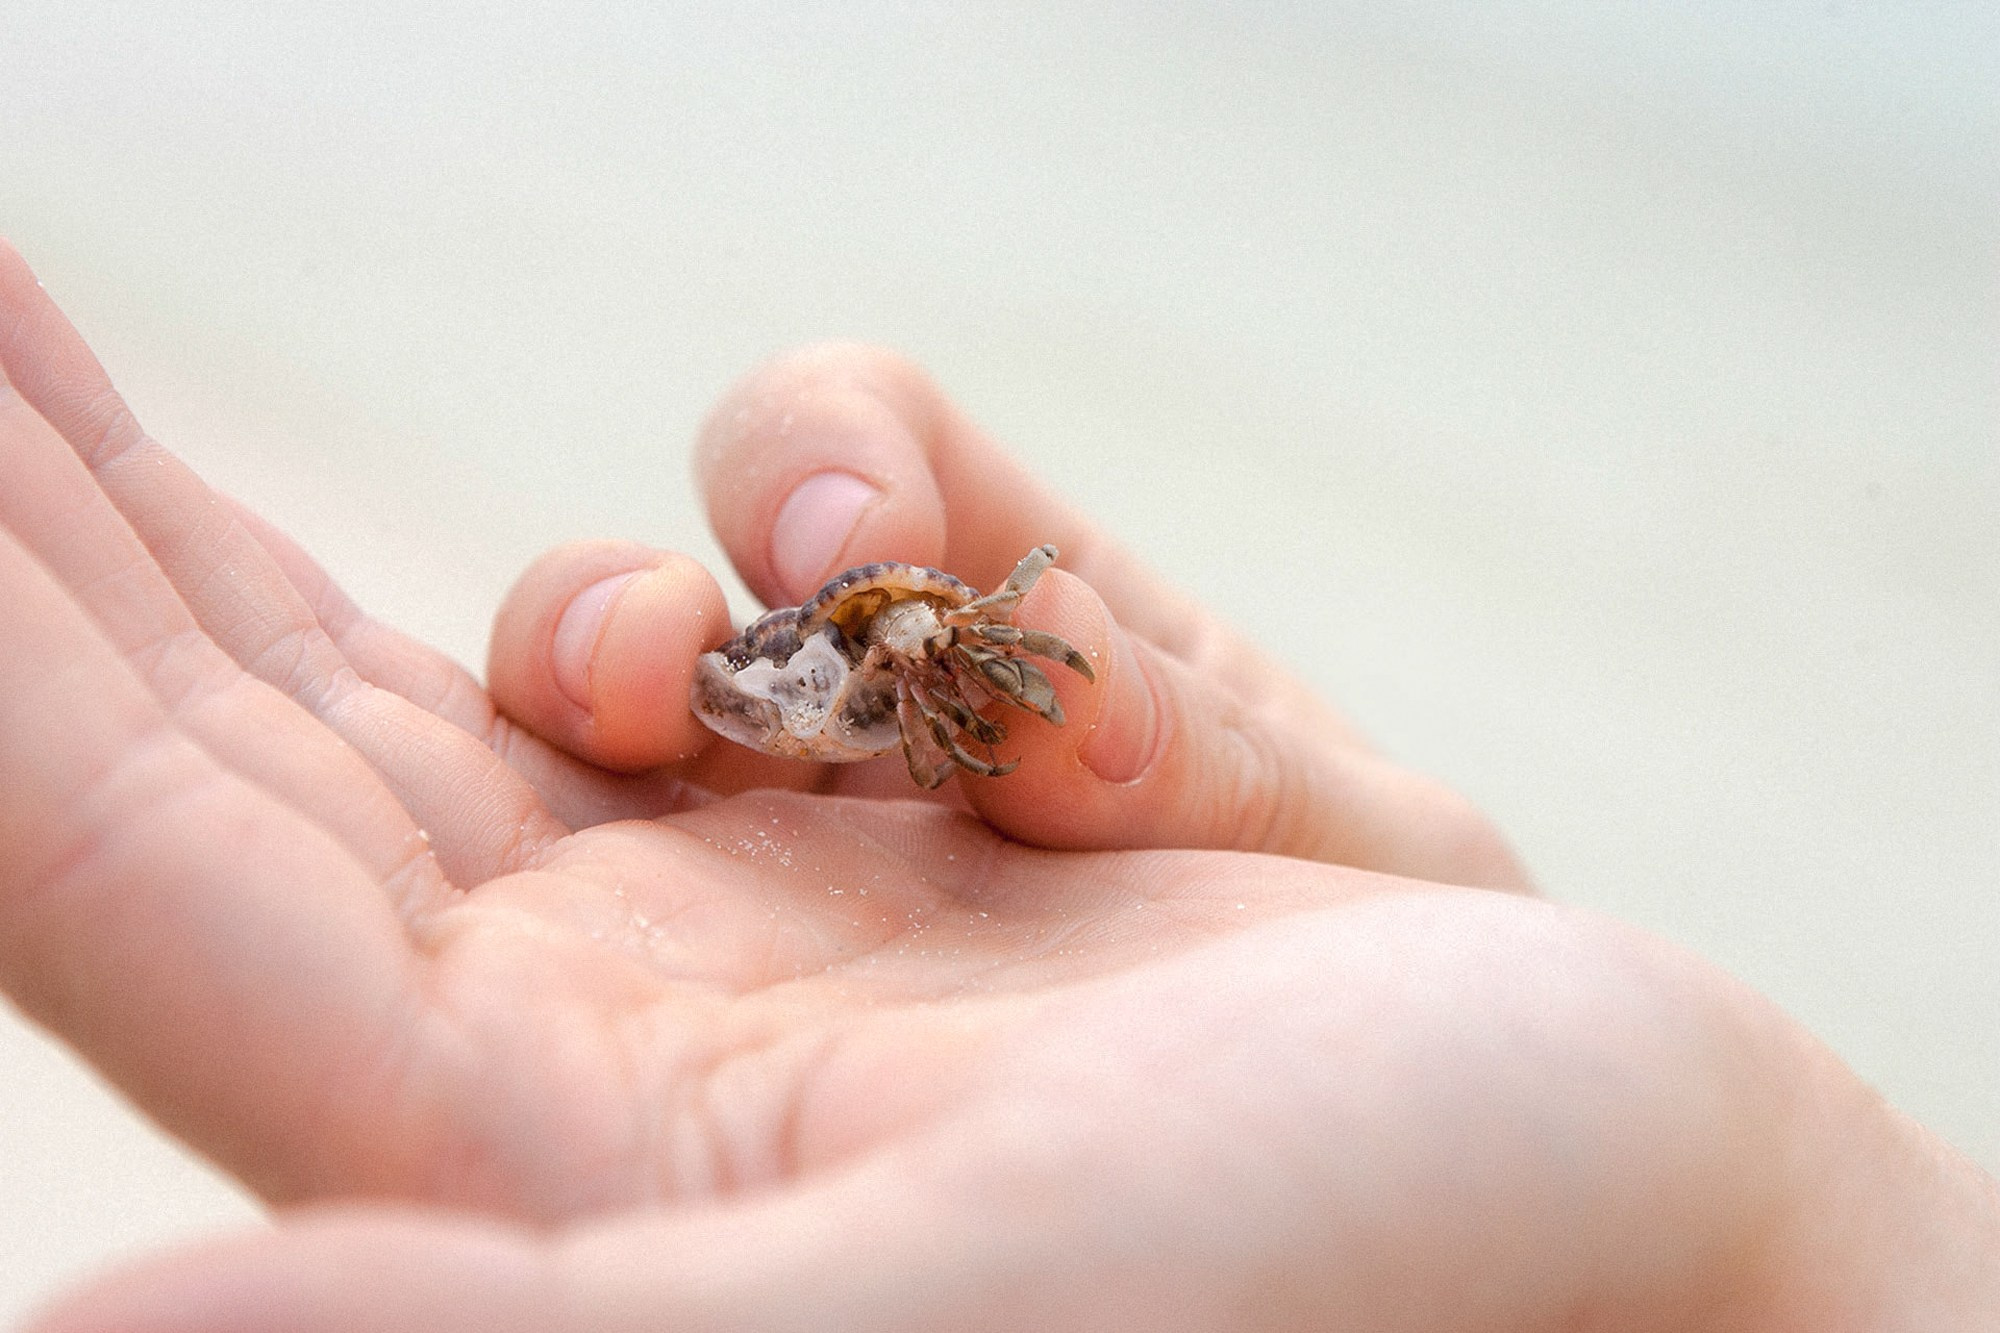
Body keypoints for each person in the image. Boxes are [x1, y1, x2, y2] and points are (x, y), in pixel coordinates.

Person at [0, 238, 1991, 1333]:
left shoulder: (974, 665)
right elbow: (790, 656)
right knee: (655, 644)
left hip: (843, 673)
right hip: (777, 689)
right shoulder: (844, 672)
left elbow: (937, 640)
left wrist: (1755, 1199)